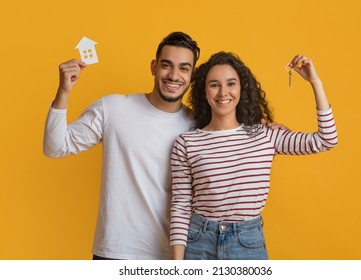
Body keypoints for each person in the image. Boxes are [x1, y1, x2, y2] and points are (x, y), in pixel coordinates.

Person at [44, 32, 200, 260]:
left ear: (192, 75)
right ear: (154, 67)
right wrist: (63, 92)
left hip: (172, 255)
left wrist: (262, 127)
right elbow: (55, 147)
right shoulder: (113, 108)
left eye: (184, 68)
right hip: (114, 252)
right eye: (167, 65)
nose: (174, 75)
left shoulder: (198, 127)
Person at [170, 52, 338, 260]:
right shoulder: (187, 143)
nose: (223, 92)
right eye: (214, 85)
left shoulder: (266, 135)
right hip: (199, 243)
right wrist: (176, 266)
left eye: (231, 83)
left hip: (247, 243)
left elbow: (326, 139)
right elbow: (180, 206)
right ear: (204, 91)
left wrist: (315, 82)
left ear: (242, 89)